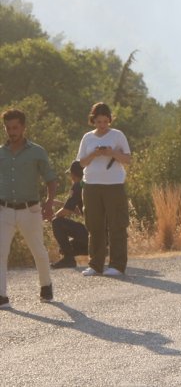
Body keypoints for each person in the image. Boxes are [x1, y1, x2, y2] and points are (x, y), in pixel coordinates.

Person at [1, 109, 57, 307]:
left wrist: (49, 203)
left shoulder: (37, 152)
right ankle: (1, 295)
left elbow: (51, 179)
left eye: (15, 127)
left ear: (23, 127)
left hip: (30, 209)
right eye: (8, 128)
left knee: (38, 251)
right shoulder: (0, 153)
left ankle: (46, 285)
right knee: (0, 251)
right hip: (4, 210)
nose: (11, 131)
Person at [77, 102, 131, 277]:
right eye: (99, 121)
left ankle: (117, 264)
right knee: (94, 225)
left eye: (105, 121)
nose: (102, 125)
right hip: (91, 185)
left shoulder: (118, 135)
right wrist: (94, 154)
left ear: (109, 120)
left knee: (117, 225)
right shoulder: (87, 138)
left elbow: (128, 159)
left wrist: (112, 153)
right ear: (93, 121)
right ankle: (95, 264)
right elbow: (81, 163)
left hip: (114, 185)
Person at [50, 160, 89, 269]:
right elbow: (74, 208)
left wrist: (53, 216)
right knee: (66, 247)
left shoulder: (78, 185)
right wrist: (61, 204)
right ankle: (102, 250)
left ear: (72, 174)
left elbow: (66, 210)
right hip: (102, 238)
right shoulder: (89, 184)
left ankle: (68, 259)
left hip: (90, 237)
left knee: (56, 222)